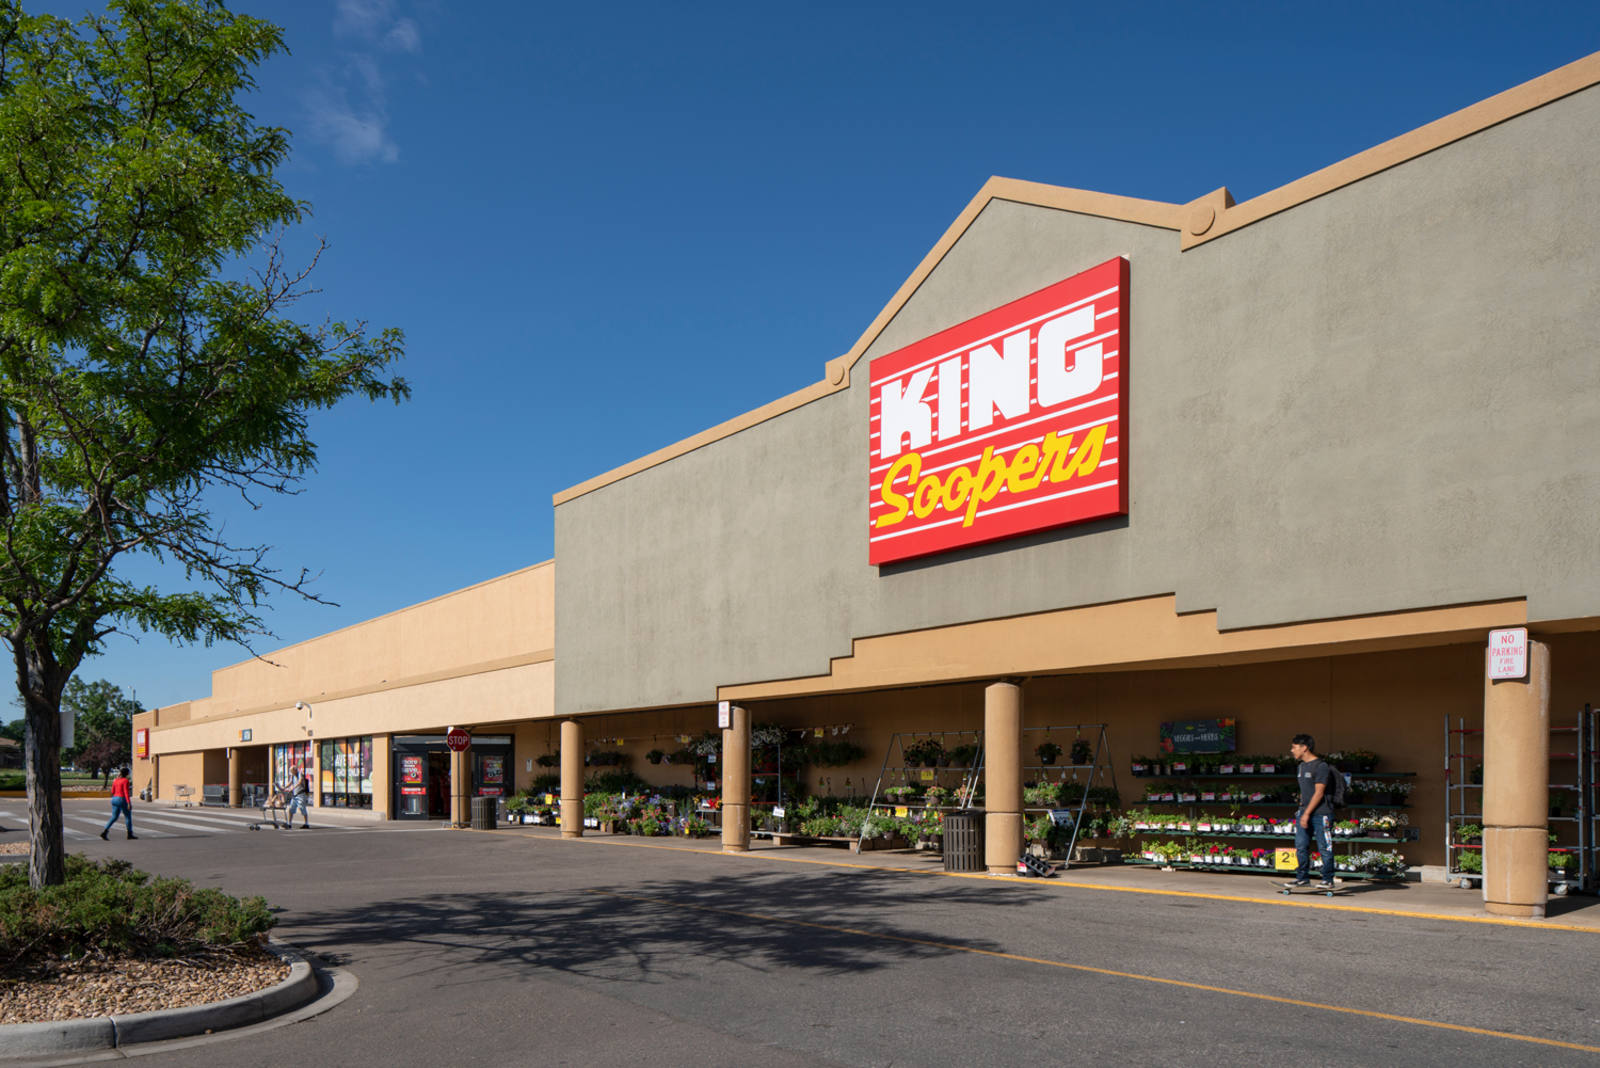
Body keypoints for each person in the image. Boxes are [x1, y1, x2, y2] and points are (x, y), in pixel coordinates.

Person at [1290, 734, 1335, 888]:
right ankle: (1302, 877)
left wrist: (1307, 813)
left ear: (1304, 748)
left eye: (1294, 747)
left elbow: (1319, 793)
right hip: (1304, 812)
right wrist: (1301, 810)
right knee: (1301, 845)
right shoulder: (1301, 766)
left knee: (1324, 847)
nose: (1291, 751)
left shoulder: (1321, 766)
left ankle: (1328, 879)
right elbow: (1305, 791)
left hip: (1321, 813)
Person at [99, 767, 137, 840]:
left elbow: (112, 791)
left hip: (114, 799)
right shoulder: (125, 781)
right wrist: (129, 803)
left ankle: (105, 831)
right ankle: (129, 834)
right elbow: (126, 792)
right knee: (127, 817)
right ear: (127, 773)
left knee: (114, 817)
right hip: (121, 799)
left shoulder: (115, 780)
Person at [283, 764, 312, 829]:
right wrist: (285, 787)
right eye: (290, 771)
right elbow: (290, 782)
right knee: (291, 809)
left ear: (295, 770)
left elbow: (299, 782)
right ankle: (289, 824)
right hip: (294, 795)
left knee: (302, 808)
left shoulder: (300, 774)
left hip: (301, 794)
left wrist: (292, 788)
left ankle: (306, 823)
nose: (291, 772)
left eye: (292, 771)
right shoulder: (292, 776)